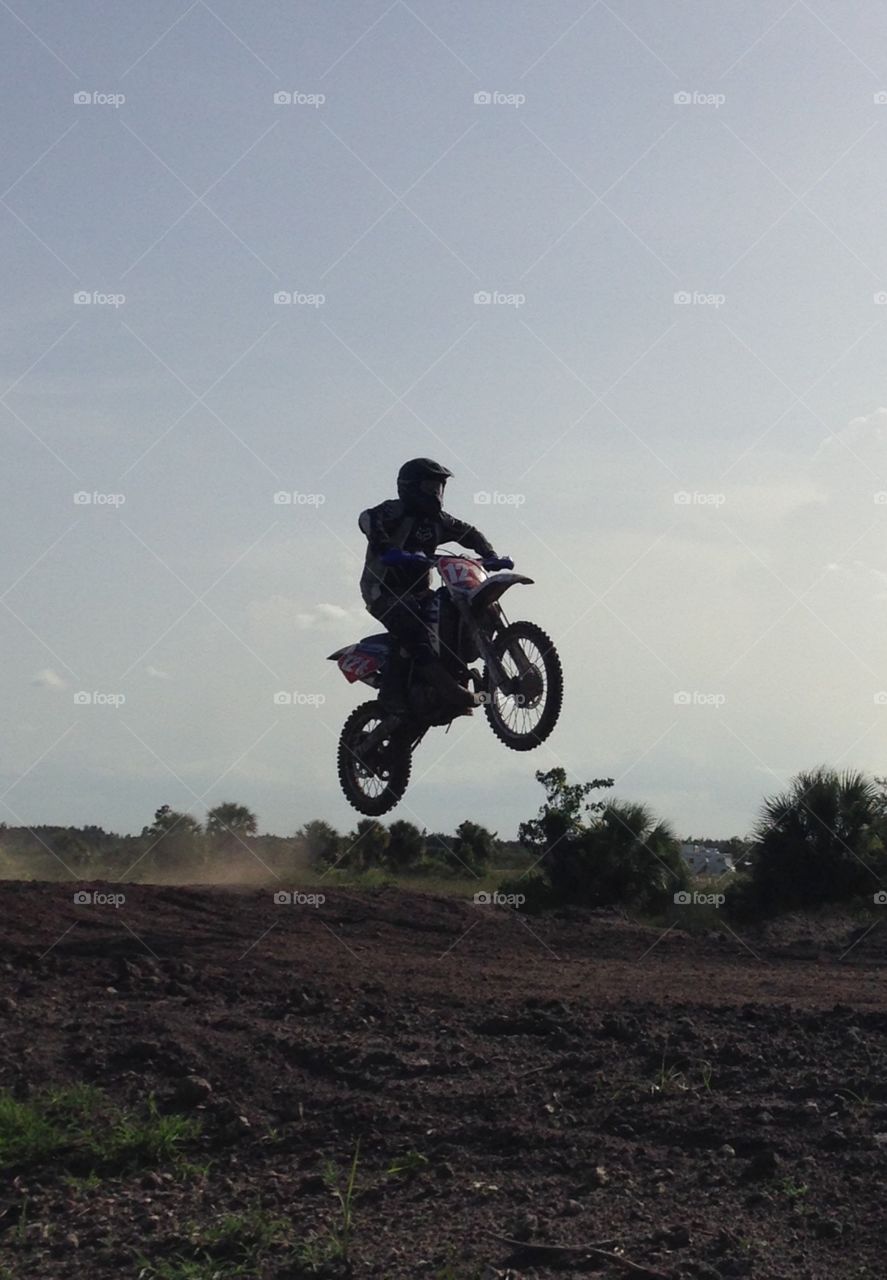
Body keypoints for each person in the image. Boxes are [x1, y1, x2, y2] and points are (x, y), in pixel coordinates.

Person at [358, 458, 512, 713]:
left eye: (438, 488)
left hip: (419, 592)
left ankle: (453, 669)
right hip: (383, 592)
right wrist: (386, 549)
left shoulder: (438, 520)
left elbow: (469, 533)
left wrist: (490, 554)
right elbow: (367, 519)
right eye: (429, 487)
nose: (435, 494)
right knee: (411, 628)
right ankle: (392, 694)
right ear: (410, 487)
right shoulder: (392, 512)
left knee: (448, 610)